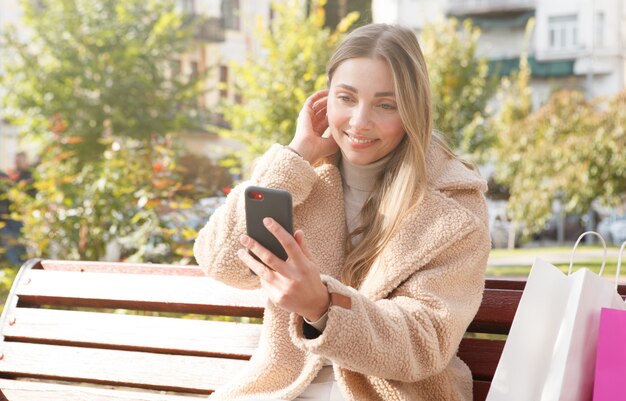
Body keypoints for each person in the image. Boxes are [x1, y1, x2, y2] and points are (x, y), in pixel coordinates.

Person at [194, 23, 490, 401]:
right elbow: (223, 263)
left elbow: (425, 341)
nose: (359, 121)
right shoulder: (304, 178)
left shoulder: (453, 205)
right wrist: (296, 154)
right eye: (346, 98)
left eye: (386, 104)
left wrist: (321, 306)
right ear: (324, 99)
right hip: (285, 390)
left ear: (414, 111)